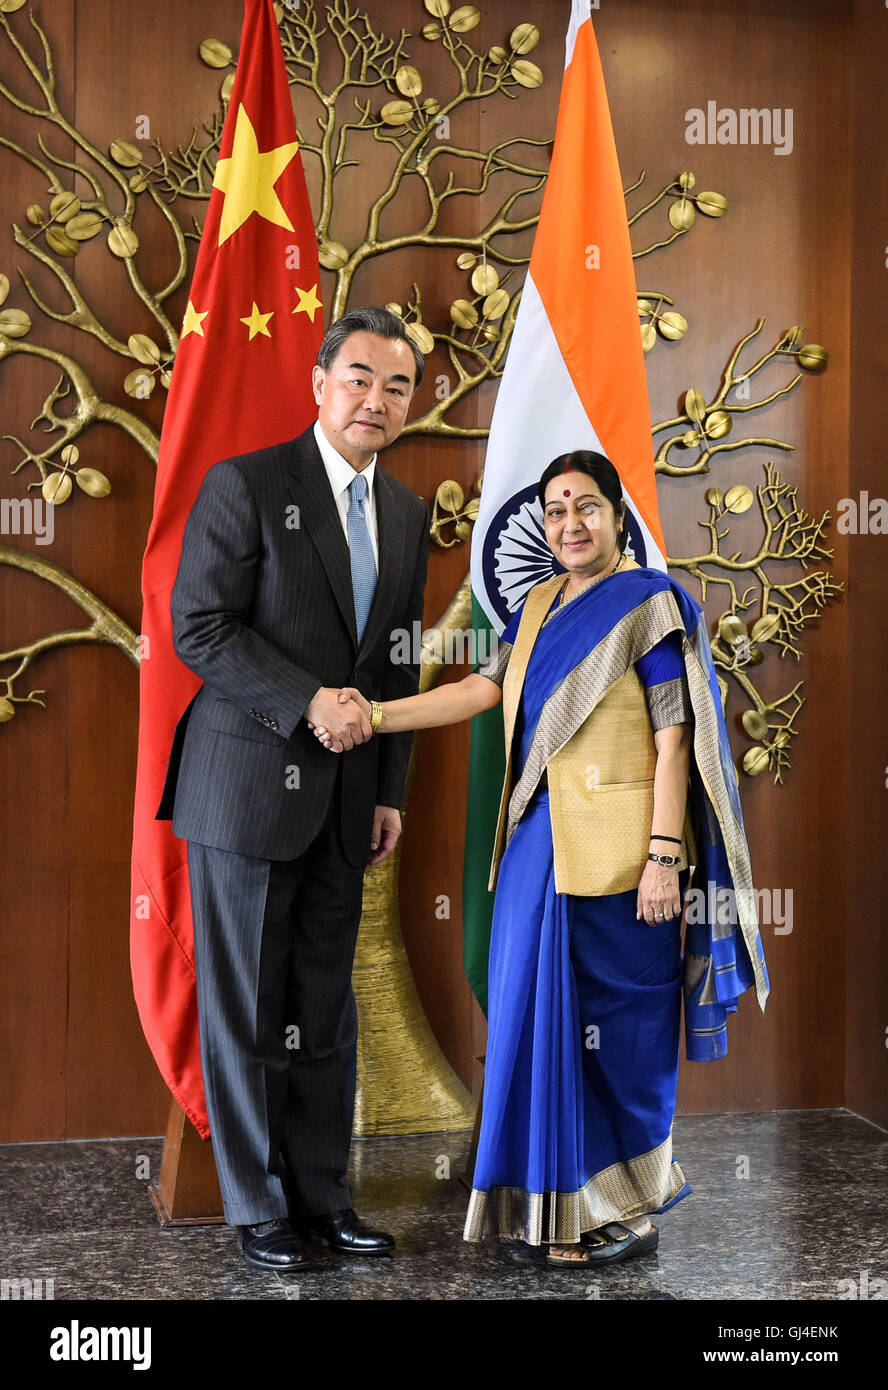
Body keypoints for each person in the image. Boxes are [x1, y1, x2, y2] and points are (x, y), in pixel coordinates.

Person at [309, 449, 770, 1268]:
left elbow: (676, 742)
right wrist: (376, 714)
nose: (569, 524)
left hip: (627, 856)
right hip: (533, 849)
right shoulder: (535, 606)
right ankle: (550, 1211)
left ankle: (625, 1207)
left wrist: (666, 855)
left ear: (617, 516)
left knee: (622, 1029)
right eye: (555, 511)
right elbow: (481, 691)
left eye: (585, 507)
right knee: (531, 1020)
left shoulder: (650, 606)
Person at [156, 306, 431, 1272]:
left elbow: (398, 665)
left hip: (351, 804)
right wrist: (309, 699)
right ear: (320, 384)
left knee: (325, 1006)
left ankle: (324, 1198)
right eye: (359, 377)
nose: (376, 399)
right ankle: (258, 1208)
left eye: (397, 385)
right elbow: (201, 628)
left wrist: (390, 786)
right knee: (245, 1007)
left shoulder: (405, 513)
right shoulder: (246, 484)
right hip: (244, 792)